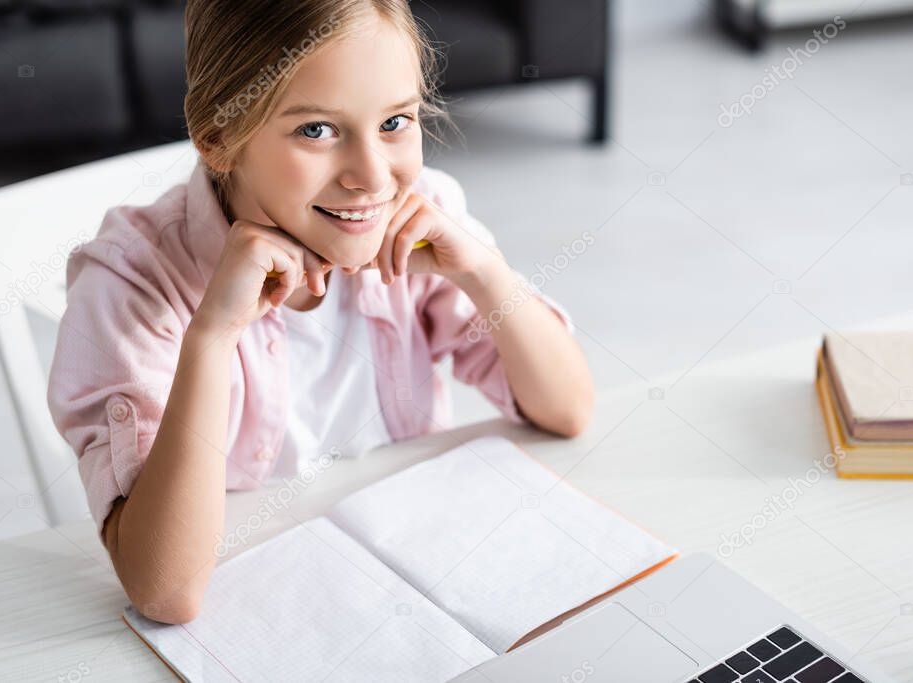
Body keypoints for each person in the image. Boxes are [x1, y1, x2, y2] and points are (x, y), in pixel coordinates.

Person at [47, 0, 594, 625]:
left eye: (395, 121)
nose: (370, 177)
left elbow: (567, 410)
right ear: (220, 137)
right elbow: (166, 592)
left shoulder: (424, 215)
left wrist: (484, 273)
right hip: (267, 613)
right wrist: (212, 335)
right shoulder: (132, 280)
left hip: (407, 589)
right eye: (317, 130)